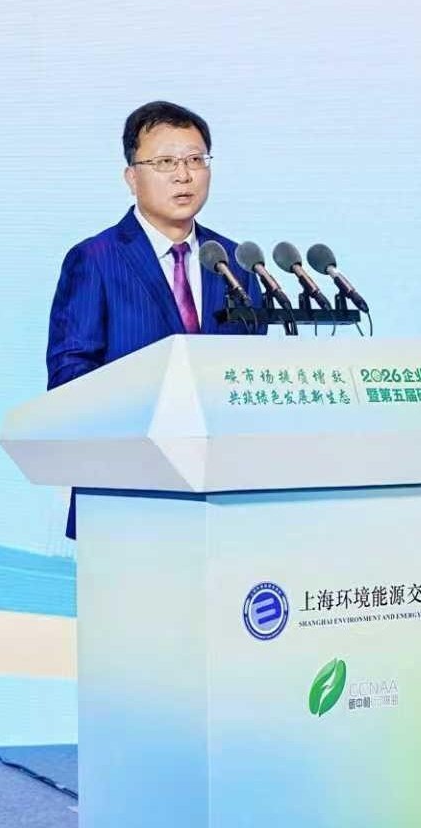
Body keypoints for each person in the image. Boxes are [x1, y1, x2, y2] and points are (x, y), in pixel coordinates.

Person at [47, 101, 264, 537]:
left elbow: (252, 372)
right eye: (165, 162)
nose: (184, 175)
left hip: (225, 495)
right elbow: (70, 380)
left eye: (195, 160)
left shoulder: (235, 261)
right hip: (127, 493)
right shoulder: (95, 259)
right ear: (132, 177)